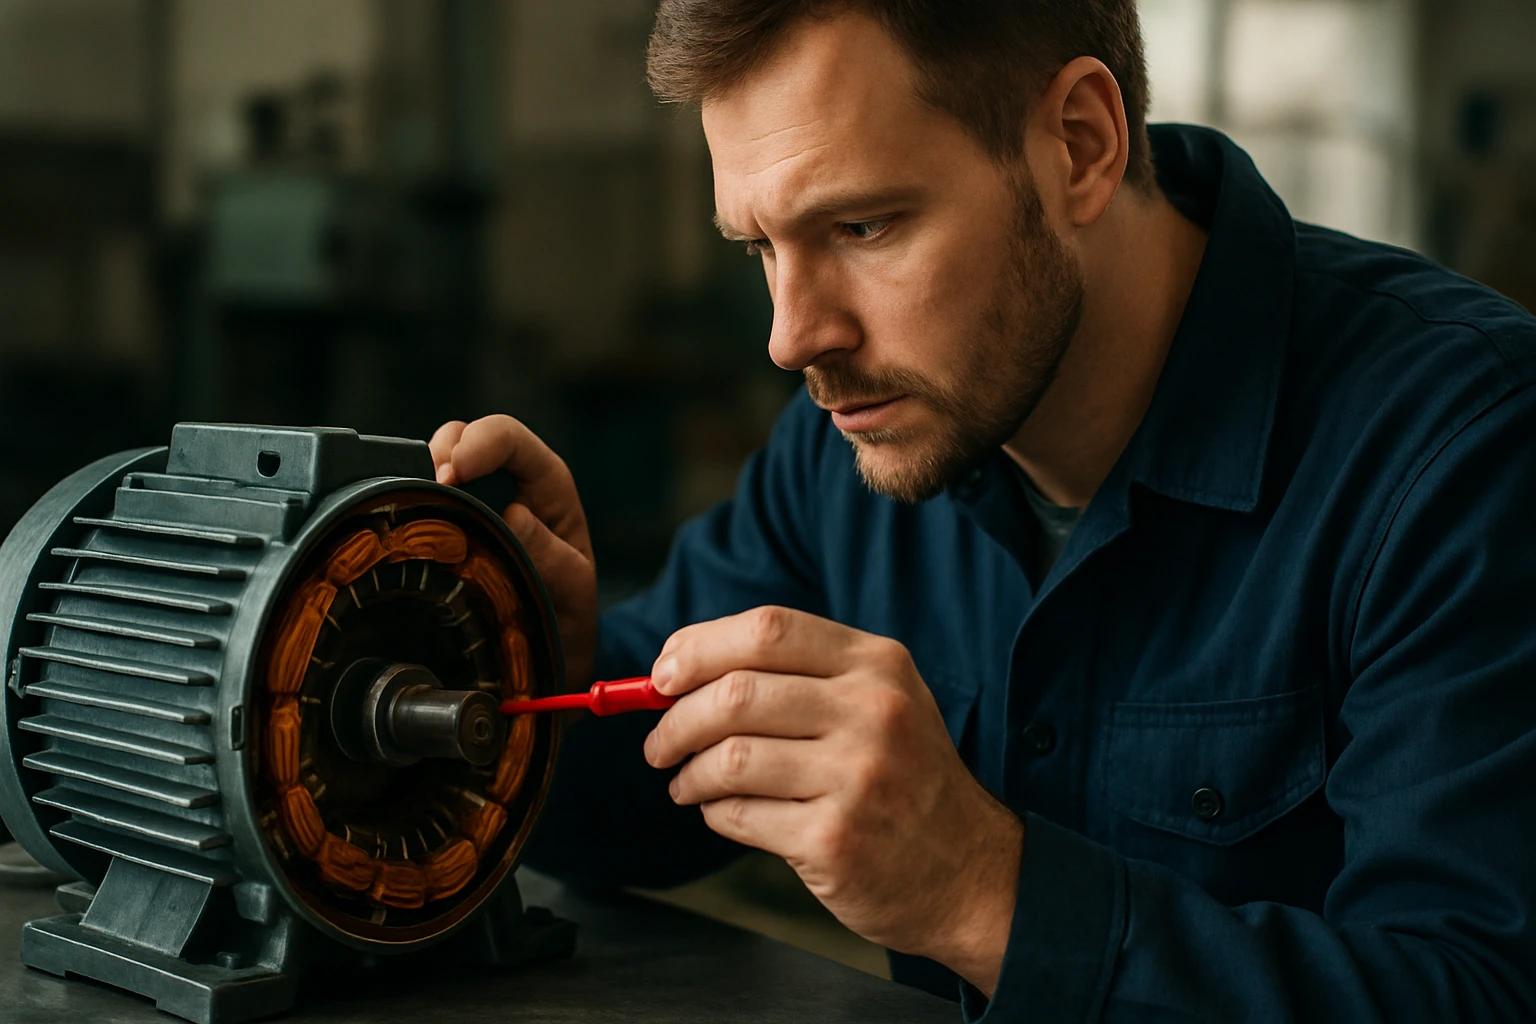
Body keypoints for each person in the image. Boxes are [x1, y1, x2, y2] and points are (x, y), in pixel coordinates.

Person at [431, 2, 1536, 1019]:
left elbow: (1477, 991)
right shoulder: (850, 451)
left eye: (862, 226)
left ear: (1081, 145)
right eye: (762, 248)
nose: (791, 336)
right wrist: (545, 672)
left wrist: (980, 891)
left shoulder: (1463, 449)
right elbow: (645, 803)